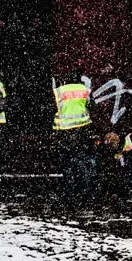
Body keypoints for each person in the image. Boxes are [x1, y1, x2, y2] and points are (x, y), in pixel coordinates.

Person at [52, 70, 94, 204]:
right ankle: (84, 190)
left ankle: (69, 191)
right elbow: (91, 106)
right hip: (82, 129)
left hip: (66, 131)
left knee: (68, 160)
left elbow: (55, 109)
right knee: (81, 158)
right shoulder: (85, 90)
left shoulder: (60, 91)